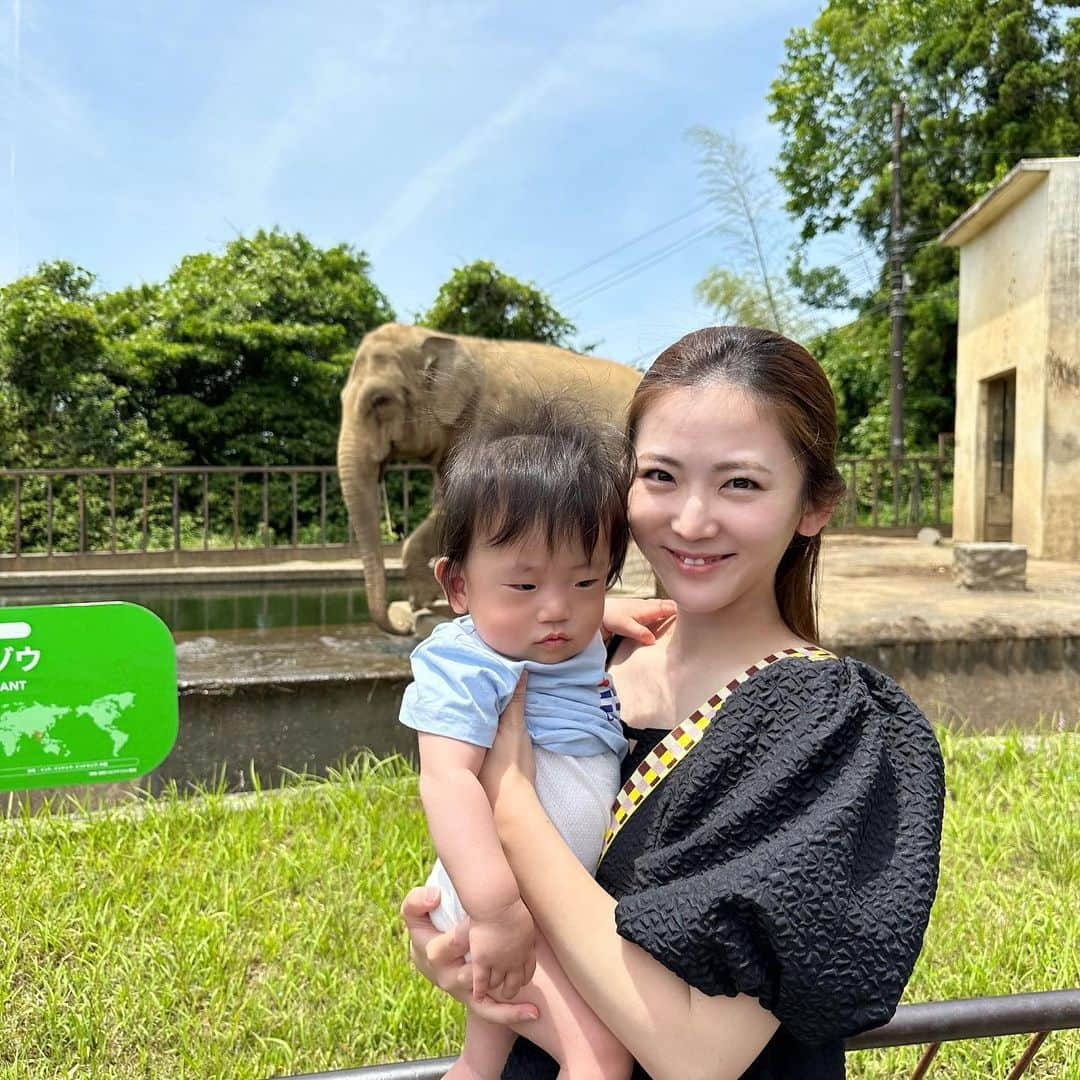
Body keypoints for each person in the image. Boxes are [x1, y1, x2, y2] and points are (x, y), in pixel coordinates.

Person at [402, 325, 945, 1079]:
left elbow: (698, 1055)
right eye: (660, 476)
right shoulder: (583, 660)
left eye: (741, 483)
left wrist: (510, 803)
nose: (691, 520)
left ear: (814, 504)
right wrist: (452, 949)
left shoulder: (828, 728)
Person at [399, 403, 640, 1078]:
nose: (557, 609)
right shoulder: (468, 659)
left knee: (488, 1059)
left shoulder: (557, 630)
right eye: (526, 583)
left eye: (586, 580)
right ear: (457, 585)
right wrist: (497, 910)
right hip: (495, 893)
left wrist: (616, 613)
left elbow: (570, 607)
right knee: (599, 1057)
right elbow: (446, 779)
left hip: (547, 891)